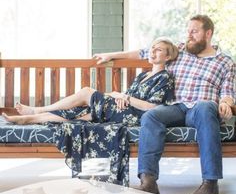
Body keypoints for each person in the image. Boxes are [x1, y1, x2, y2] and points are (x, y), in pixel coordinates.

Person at [94, 15, 236, 194]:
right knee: (152, 115)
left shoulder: (225, 62)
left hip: (201, 109)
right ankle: (148, 181)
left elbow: (228, 92)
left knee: (205, 106)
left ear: (208, 33)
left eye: (194, 31)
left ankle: (210, 183)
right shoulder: (179, 51)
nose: (189, 35)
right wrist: (112, 55)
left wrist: (225, 103)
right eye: (188, 31)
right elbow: (144, 53)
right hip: (175, 107)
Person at [3, 38, 178, 128]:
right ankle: (28, 118)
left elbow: (152, 108)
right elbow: (124, 96)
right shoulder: (142, 76)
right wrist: (117, 96)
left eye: (159, 50)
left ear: (168, 57)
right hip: (121, 108)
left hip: (135, 116)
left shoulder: (165, 77)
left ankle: (38, 109)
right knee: (77, 113)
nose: (153, 51)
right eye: (152, 48)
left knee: (87, 92)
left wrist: (124, 97)